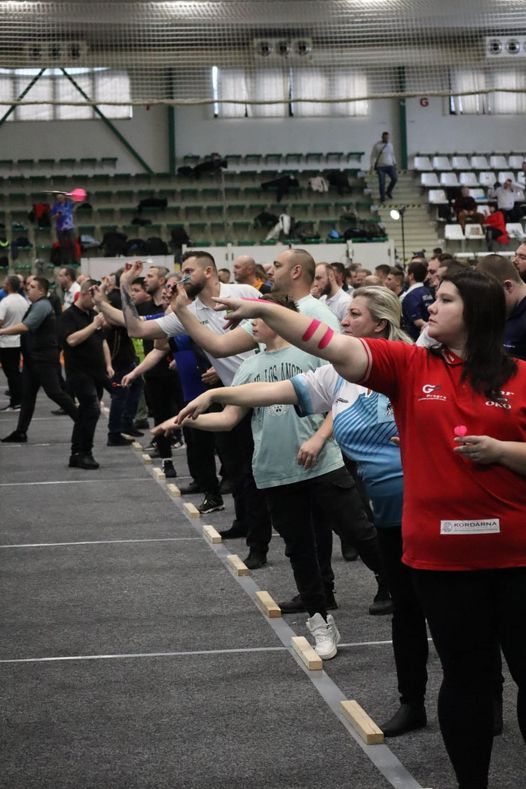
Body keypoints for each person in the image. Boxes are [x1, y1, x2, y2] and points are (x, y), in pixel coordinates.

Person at [212, 270, 526, 789]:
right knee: (466, 680)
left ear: (478, 313)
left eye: (446, 300)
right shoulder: (408, 364)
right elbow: (332, 345)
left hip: (517, 556)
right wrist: (268, 311)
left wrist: (500, 452)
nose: (432, 306)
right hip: (442, 560)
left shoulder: (520, 376)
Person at [156, 296, 388, 657]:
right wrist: (186, 420)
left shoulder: (311, 355)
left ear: (280, 319)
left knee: (360, 532)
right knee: (299, 549)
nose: (252, 326)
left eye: (259, 318)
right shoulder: (249, 368)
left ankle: (399, 587)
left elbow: (339, 399)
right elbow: (230, 418)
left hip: (323, 464)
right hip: (275, 471)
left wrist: (318, 437)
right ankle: (320, 620)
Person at [1, 277, 78, 444]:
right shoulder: (36, 304)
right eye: (28, 286)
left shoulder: (42, 305)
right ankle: (21, 431)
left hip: (43, 359)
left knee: (54, 392)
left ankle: (81, 421)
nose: (28, 289)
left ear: (41, 291)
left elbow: (26, 326)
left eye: (33, 286)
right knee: (28, 396)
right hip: (33, 359)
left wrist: (2, 331)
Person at [60, 279, 113, 469]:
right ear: (84, 294)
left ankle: (76, 453)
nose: (96, 303)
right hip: (78, 373)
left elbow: (102, 341)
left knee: (84, 413)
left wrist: (108, 364)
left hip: (96, 373)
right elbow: (71, 340)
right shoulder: (68, 316)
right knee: (91, 409)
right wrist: (93, 325)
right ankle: (85, 452)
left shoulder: (92, 313)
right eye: (94, 299)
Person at [0, 276, 28, 411]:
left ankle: (17, 401)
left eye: (5, 282)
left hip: (6, 342)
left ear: (10, 285)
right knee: (14, 372)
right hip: (19, 341)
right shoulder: (24, 301)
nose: (3, 284)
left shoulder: (5, 302)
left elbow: (0, 321)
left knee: (11, 374)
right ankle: (18, 400)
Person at [400, 261, 434, 340]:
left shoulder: (411, 296)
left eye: (406, 272)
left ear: (411, 276)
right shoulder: (427, 291)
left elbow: (418, 322)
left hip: (415, 338)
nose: (405, 275)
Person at [50, 193, 79, 266]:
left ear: (64, 197)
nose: (59, 199)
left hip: (69, 226)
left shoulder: (69, 204)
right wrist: (56, 215)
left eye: (61, 197)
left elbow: (76, 201)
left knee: (72, 243)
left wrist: (71, 196)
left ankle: (74, 259)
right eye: (58, 198)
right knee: (62, 245)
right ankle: (65, 260)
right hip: (60, 227)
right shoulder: (55, 206)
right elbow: (52, 217)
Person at [370, 131, 397, 203]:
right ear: (382, 137)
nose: (387, 138)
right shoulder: (377, 146)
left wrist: (395, 163)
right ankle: (382, 197)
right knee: (382, 182)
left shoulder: (390, 145)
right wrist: (372, 165)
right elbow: (373, 156)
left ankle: (388, 191)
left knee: (394, 179)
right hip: (380, 166)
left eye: (388, 137)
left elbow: (392, 154)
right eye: (385, 137)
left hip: (390, 165)